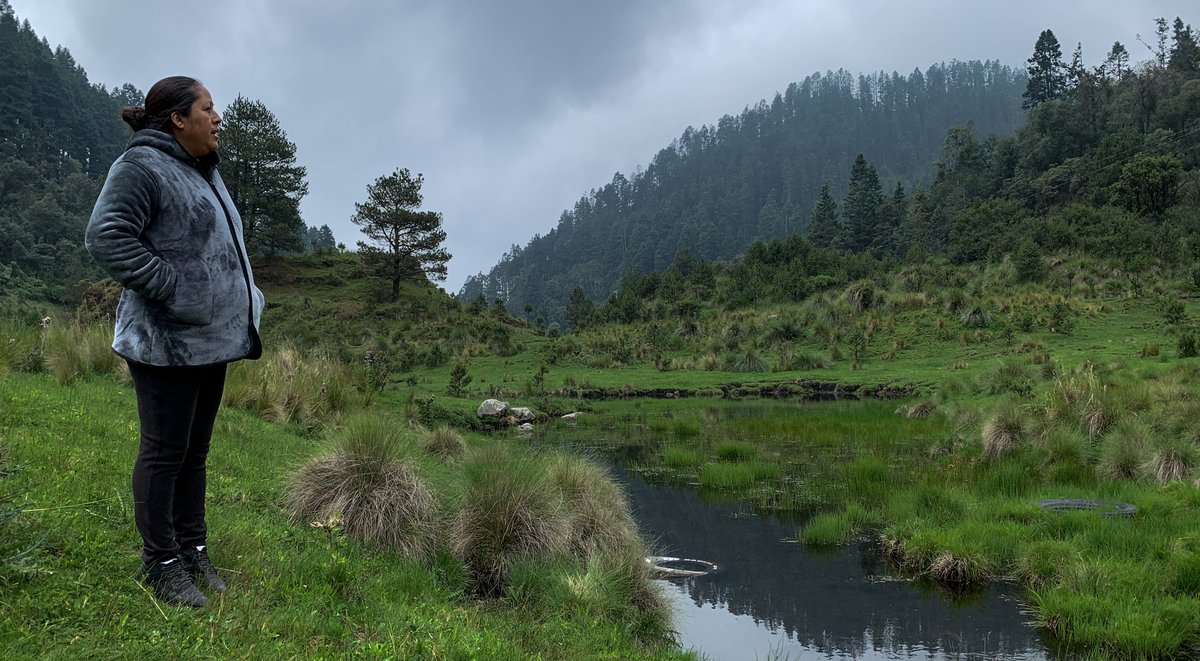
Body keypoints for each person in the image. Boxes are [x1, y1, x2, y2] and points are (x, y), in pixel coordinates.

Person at [85, 76, 264, 608]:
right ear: (179, 119)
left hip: (211, 340)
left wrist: (245, 295)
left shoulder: (201, 168)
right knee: (165, 452)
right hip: (165, 342)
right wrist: (174, 289)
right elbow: (106, 236)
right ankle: (159, 562)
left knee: (195, 453)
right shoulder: (141, 167)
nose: (218, 118)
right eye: (208, 109)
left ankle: (193, 548)